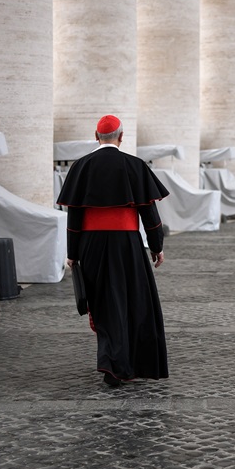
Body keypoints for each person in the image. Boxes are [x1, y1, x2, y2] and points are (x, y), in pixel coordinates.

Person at [56, 115, 169, 386]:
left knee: (104, 302)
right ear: (121, 136)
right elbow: (149, 212)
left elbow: (74, 218)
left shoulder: (81, 166)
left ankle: (111, 364)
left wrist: (73, 253)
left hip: (91, 245)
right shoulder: (135, 165)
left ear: (96, 136)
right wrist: (157, 247)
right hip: (127, 245)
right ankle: (126, 363)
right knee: (131, 301)